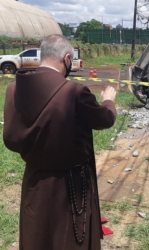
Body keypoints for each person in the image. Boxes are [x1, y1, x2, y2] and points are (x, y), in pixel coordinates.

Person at [3, 34, 117, 250]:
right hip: (70, 184)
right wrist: (109, 101)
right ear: (66, 59)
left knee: (38, 234)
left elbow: (10, 138)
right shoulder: (74, 91)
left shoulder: (13, 90)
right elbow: (104, 119)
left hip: (35, 179)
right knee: (72, 237)